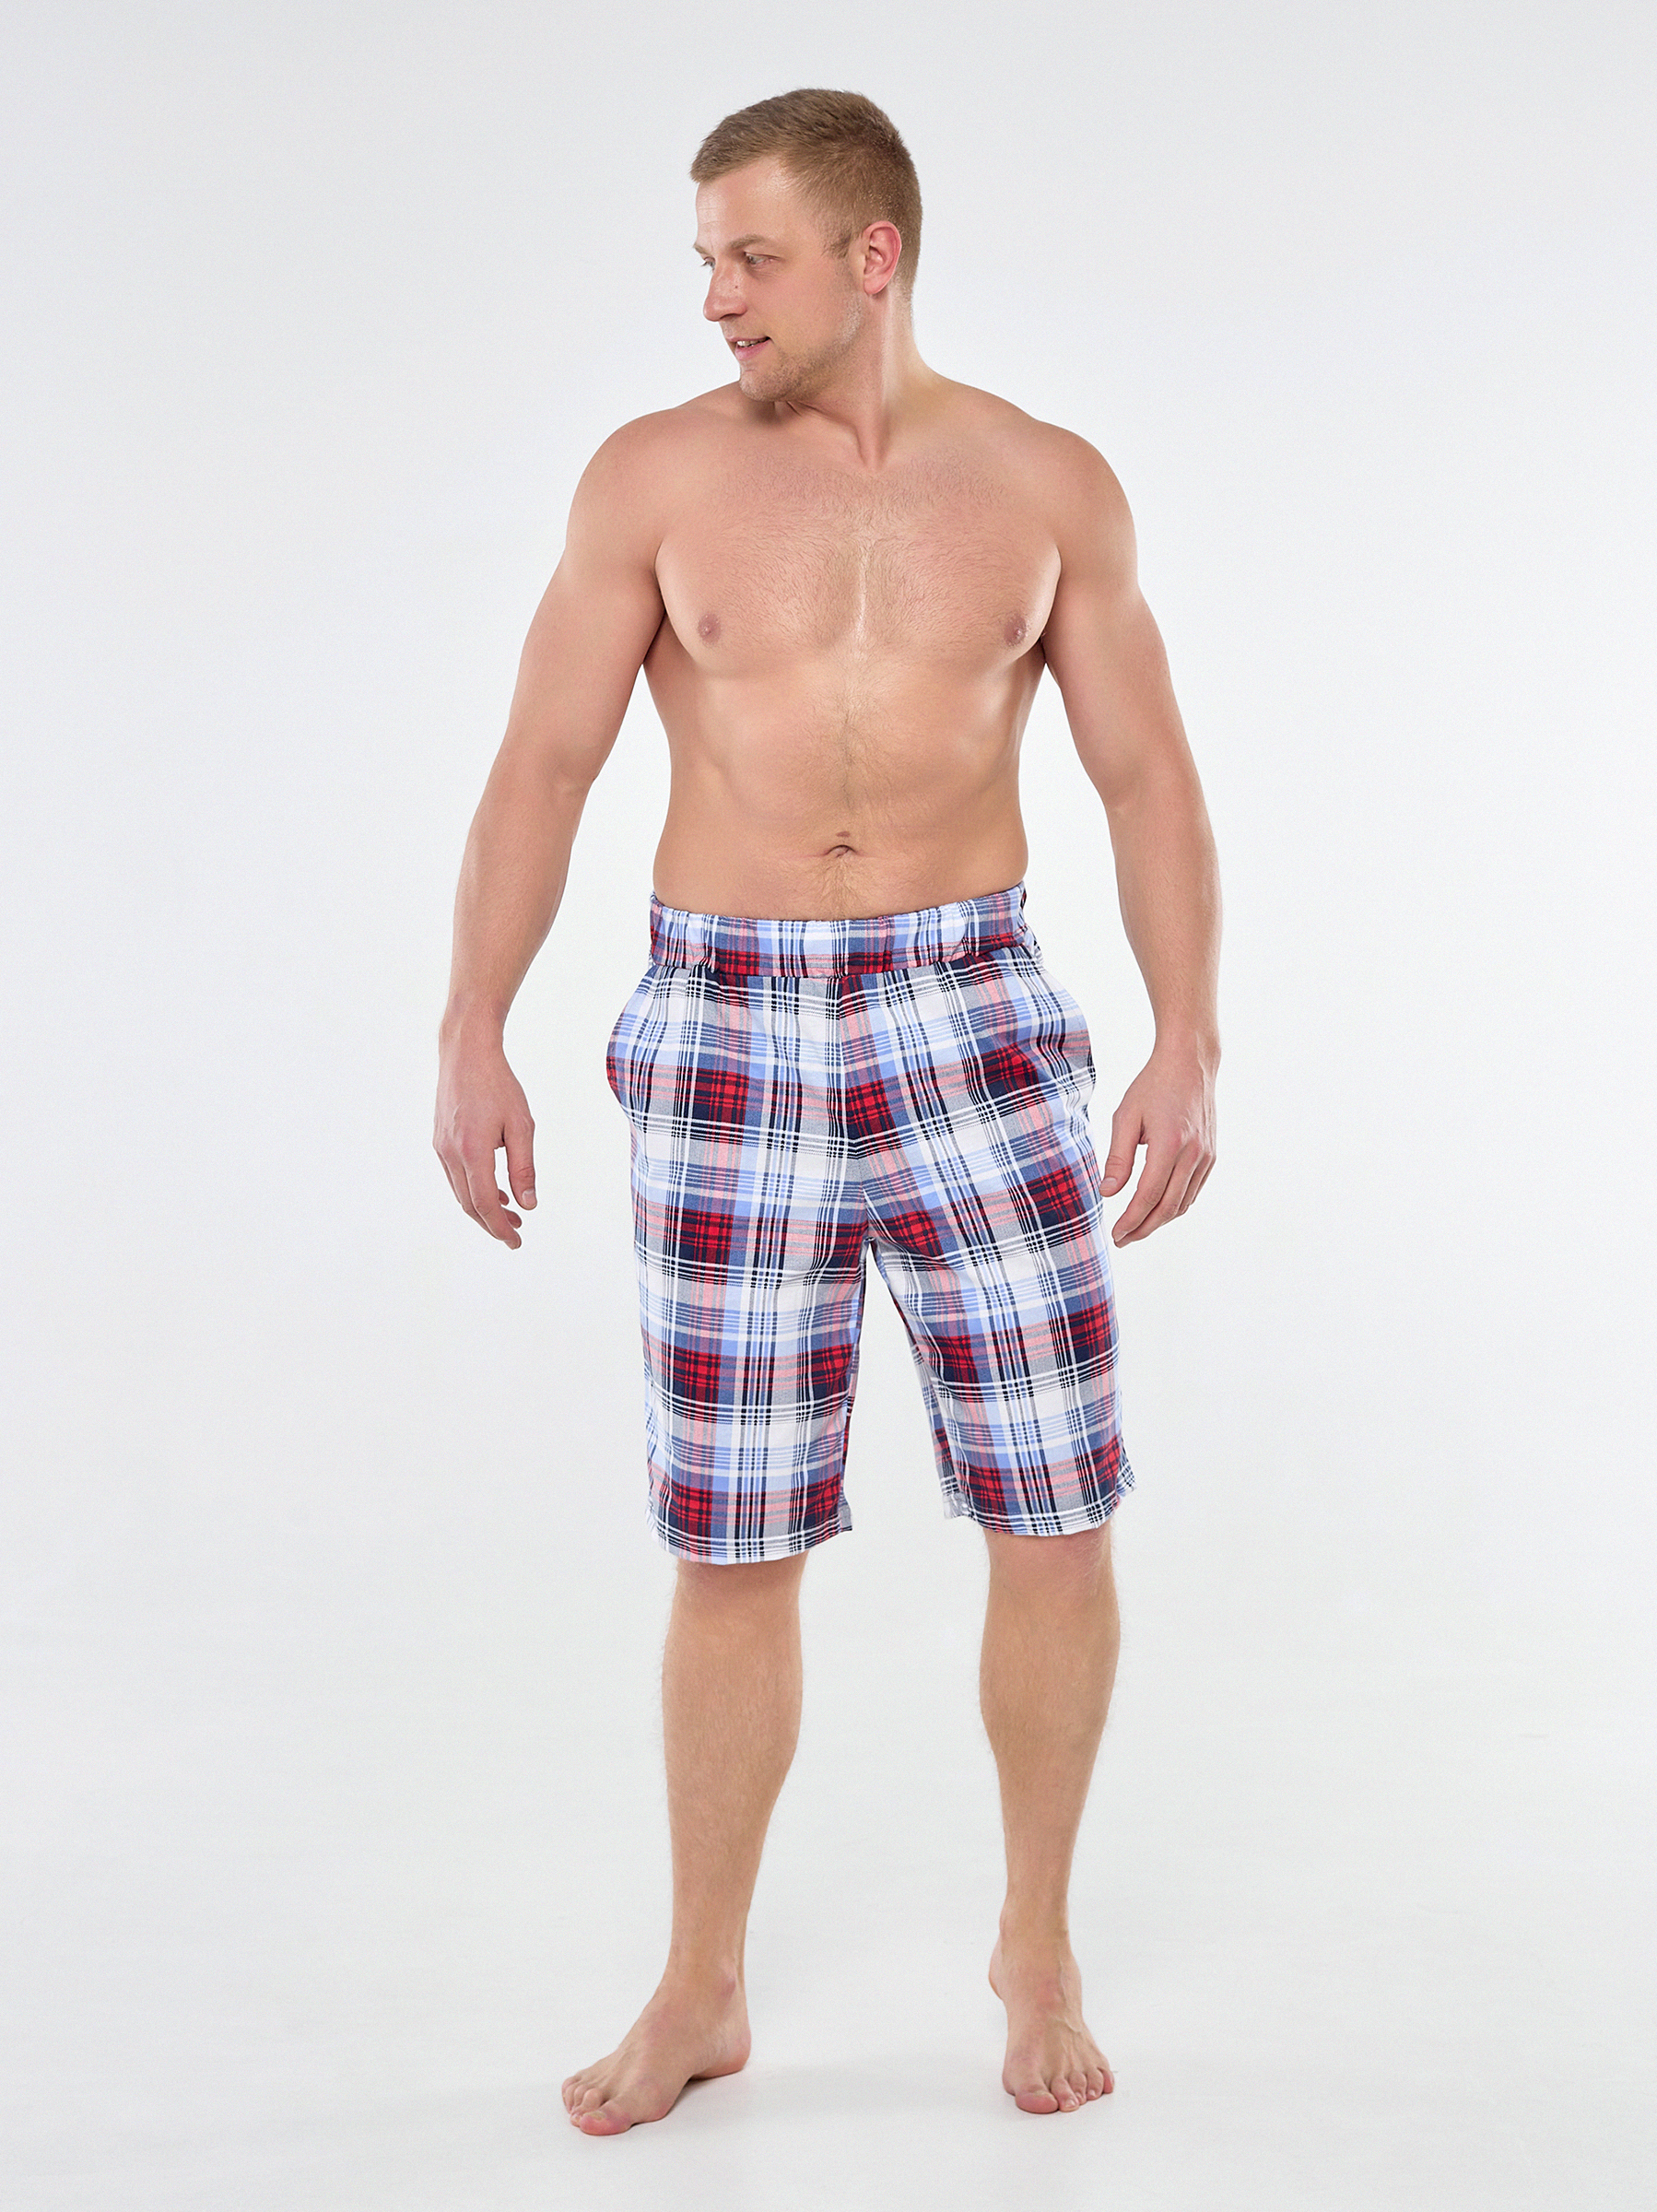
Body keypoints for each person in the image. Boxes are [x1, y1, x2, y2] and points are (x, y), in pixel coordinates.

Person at [433, 88, 1220, 2136]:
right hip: (729, 1023)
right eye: (706, 259)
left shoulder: (1047, 485)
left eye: (751, 258)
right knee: (733, 1535)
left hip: (977, 1014)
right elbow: (542, 766)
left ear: (876, 256)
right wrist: (472, 1025)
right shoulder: (652, 480)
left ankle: (1034, 1942)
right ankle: (702, 1982)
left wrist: (1188, 1037)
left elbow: (1145, 774)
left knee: (1055, 1507)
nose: (717, 299)